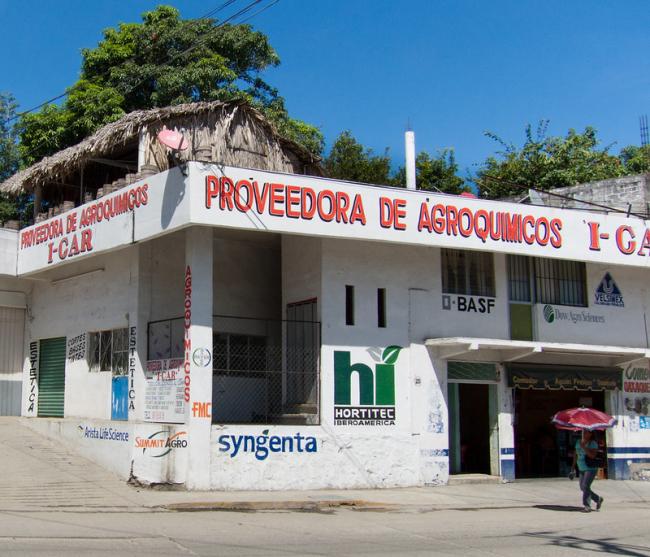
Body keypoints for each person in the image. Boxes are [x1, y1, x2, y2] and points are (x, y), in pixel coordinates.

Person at [571, 430, 604, 512]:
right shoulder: (578, 442)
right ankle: (597, 499)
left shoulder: (593, 443)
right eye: (584, 432)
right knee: (582, 487)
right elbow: (576, 454)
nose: (585, 433)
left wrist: (584, 447)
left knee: (585, 485)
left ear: (591, 434)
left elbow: (592, 456)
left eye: (587, 432)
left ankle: (587, 505)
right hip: (581, 467)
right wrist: (573, 467)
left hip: (590, 468)